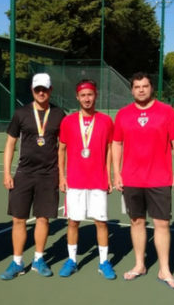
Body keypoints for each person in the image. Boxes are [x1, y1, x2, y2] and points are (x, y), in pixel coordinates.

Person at [111, 72, 174, 290]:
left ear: (151, 88)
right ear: (132, 90)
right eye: (137, 87)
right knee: (137, 222)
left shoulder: (166, 111)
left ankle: (164, 270)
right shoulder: (123, 114)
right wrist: (116, 173)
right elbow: (116, 144)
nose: (141, 90)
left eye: (145, 86)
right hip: (132, 178)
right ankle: (139, 265)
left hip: (159, 178)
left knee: (162, 224)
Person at [0, 73, 66, 280]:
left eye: (44, 89)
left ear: (50, 90)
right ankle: (17, 262)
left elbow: (63, 148)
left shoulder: (59, 114)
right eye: (38, 89)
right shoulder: (21, 113)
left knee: (43, 218)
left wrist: (62, 175)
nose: (41, 92)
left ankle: (39, 259)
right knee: (18, 219)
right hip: (24, 174)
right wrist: (6, 172)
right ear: (32, 90)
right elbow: (10, 144)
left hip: (48, 174)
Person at [56, 79, 116, 280]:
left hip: (98, 180)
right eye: (83, 95)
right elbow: (61, 150)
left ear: (95, 95)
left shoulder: (106, 121)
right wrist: (62, 176)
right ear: (77, 97)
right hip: (75, 181)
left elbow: (109, 149)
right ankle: (72, 260)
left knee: (101, 222)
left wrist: (109, 176)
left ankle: (103, 262)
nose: (87, 98)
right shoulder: (68, 121)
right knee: (73, 222)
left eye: (90, 94)